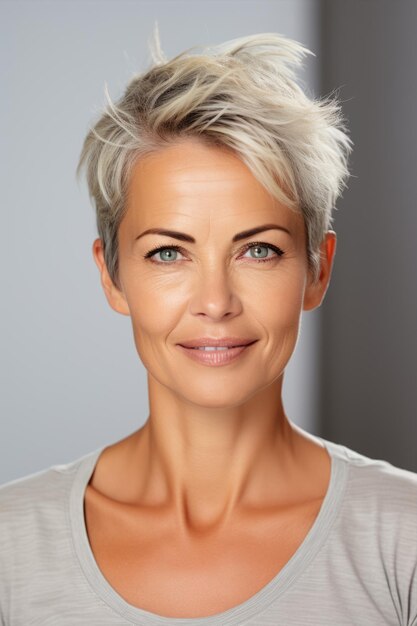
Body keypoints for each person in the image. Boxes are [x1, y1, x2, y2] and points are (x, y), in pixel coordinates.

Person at [1, 26, 416, 626]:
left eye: (259, 251)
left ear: (318, 271)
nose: (215, 302)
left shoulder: (403, 542)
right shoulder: (12, 549)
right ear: (112, 276)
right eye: (169, 253)